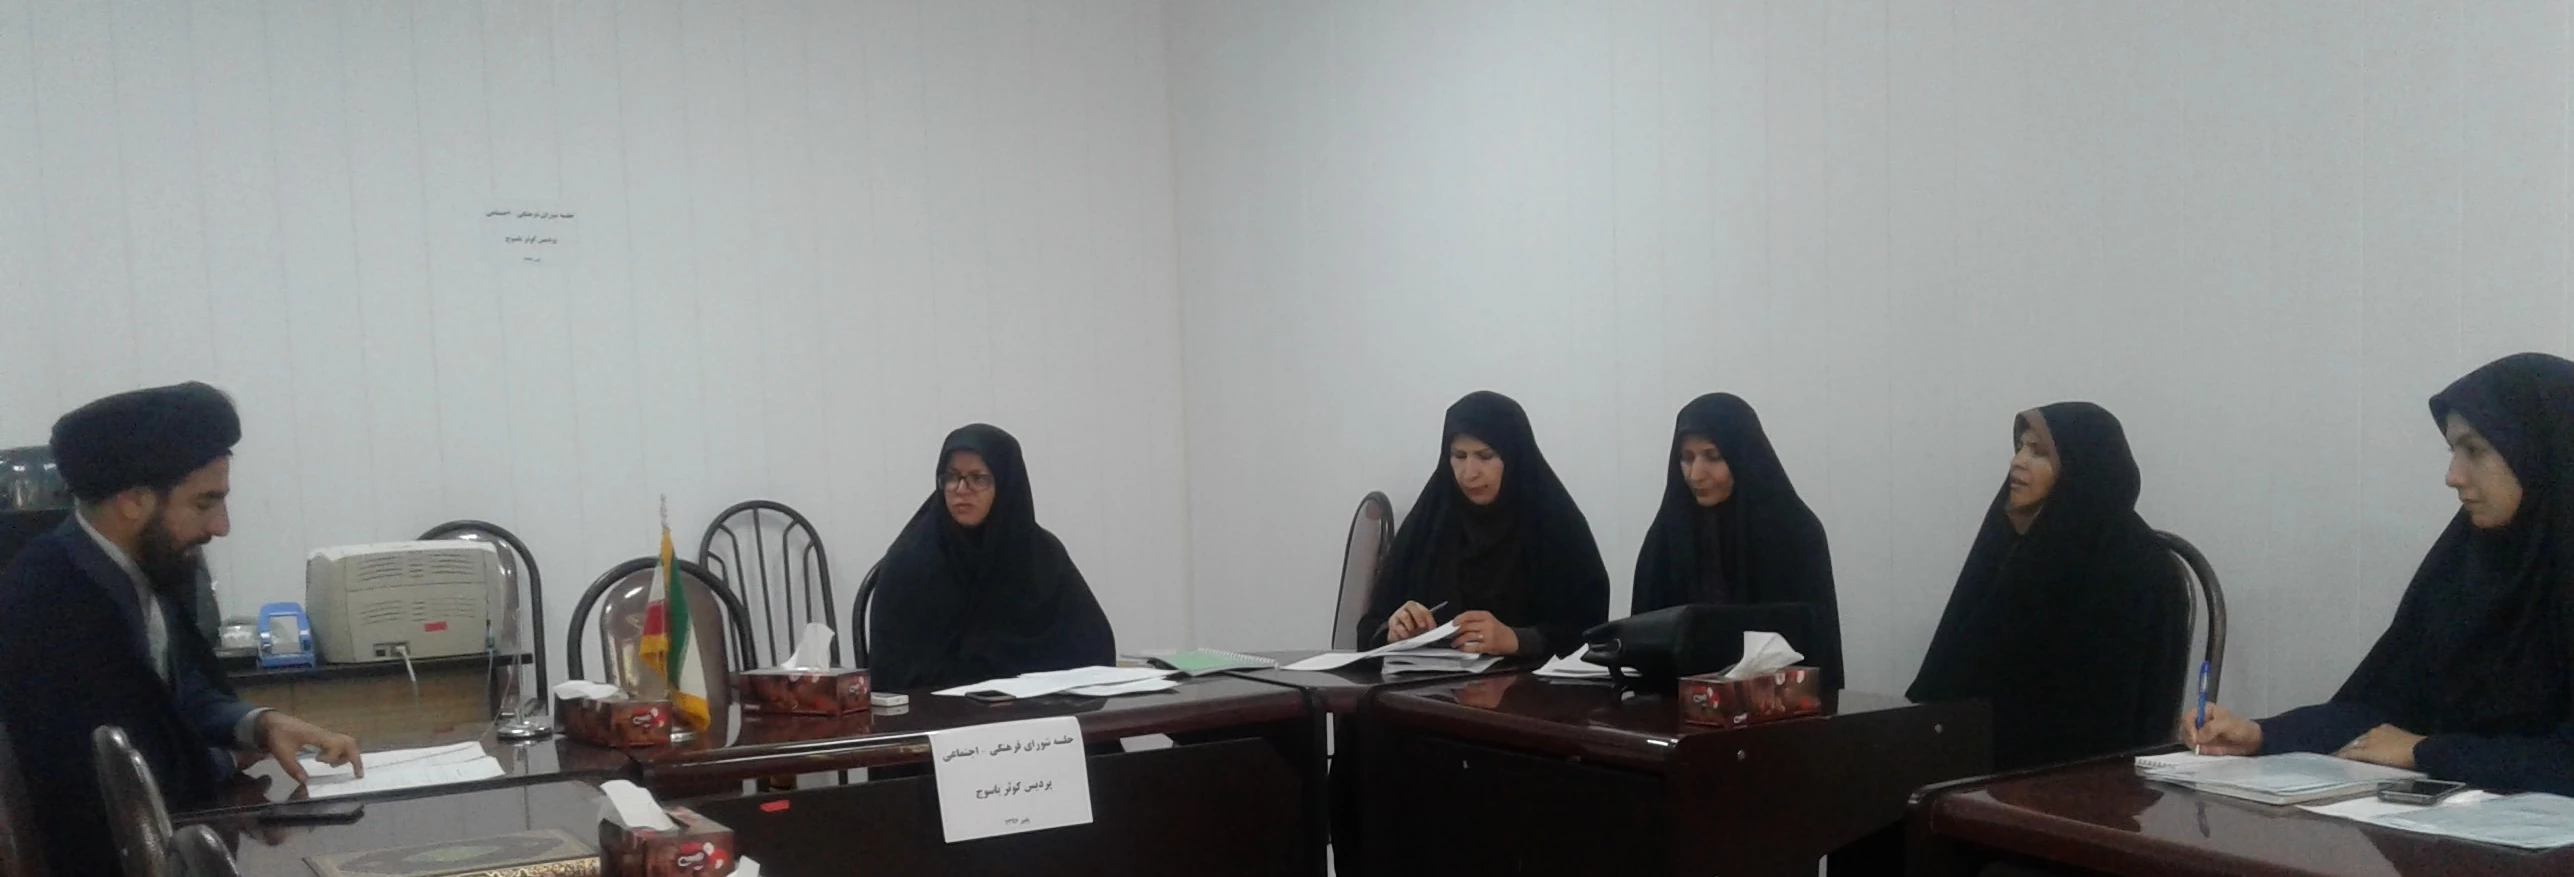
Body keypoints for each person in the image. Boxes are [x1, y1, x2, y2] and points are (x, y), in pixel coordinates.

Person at [0, 382, 361, 873]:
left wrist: (260, 724)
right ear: (133, 501)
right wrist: (230, 757)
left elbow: (182, 694)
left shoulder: (140, 568)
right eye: (204, 503)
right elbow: (118, 777)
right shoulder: (51, 599)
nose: (221, 527)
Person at [2194, 353, 2574, 794]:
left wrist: (2426, 751)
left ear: (2543, 451)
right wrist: (2261, 735)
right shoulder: (2466, 563)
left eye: (2475, 450)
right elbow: (2380, 707)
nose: (2453, 476)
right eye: (2453, 452)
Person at [1907, 402, 2190, 770]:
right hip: (1986, 751)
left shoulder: (2133, 563)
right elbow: (1960, 664)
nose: (2017, 462)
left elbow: (2108, 713)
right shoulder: (2016, 541)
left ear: (2083, 466)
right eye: (2020, 447)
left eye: (2038, 452)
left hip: (2078, 773)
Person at [1358, 391, 1609, 658]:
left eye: (1486, 456)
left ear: (1514, 458)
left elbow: (1591, 633)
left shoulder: (1555, 528)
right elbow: (1368, 630)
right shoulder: (1427, 527)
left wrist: (1517, 640)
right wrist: (1393, 630)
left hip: (1528, 684)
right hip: (1426, 684)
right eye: (1459, 456)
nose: (1470, 473)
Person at [868, 424, 1115, 691]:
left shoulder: (1041, 556)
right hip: (944, 712)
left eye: (978, 478)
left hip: (1043, 709)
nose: (961, 489)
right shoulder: (911, 563)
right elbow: (895, 677)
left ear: (1007, 485)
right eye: (951, 477)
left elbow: (1095, 649)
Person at [1630, 393, 1843, 688]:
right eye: (1687, 458)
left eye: (1713, 457)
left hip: (1776, 705)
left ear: (1743, 457)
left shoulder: (1792, 532)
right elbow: (1642, 646)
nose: (1696, 474)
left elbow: (1814, 644)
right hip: (1674, 705)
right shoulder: (1666, 538)